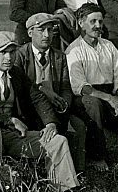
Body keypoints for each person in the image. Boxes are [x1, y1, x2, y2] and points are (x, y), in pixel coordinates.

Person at [0, 31, 80, 191]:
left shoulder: (17, 73)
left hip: (13, 136)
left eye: (12, 52)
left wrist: (51, 123)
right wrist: (10, 120)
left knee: (58, 142)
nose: (9, 58)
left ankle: (65, 189)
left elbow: (37, 97)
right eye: (3, 52)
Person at [65, 6, 118, 166]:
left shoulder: (109, 46)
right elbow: (80, 87)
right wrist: (110, 99)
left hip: (109, 95)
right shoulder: (74, 50)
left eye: (100, 21)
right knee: (93, 103)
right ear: (81, 23)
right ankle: (97, 157)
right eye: (92, 21)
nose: (98, 26)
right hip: (86, 98)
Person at [13, 13, 88, 172]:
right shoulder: (20, 56)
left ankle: (78, 173)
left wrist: (63, 104)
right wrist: (44, 91)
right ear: (30, 33)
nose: (47, 35)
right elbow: (19, 89)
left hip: (57, 110)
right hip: (31, 111)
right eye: (41, 30)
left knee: (79, 126)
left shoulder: (60, 57)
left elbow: (66, 87)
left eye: (50, 30)